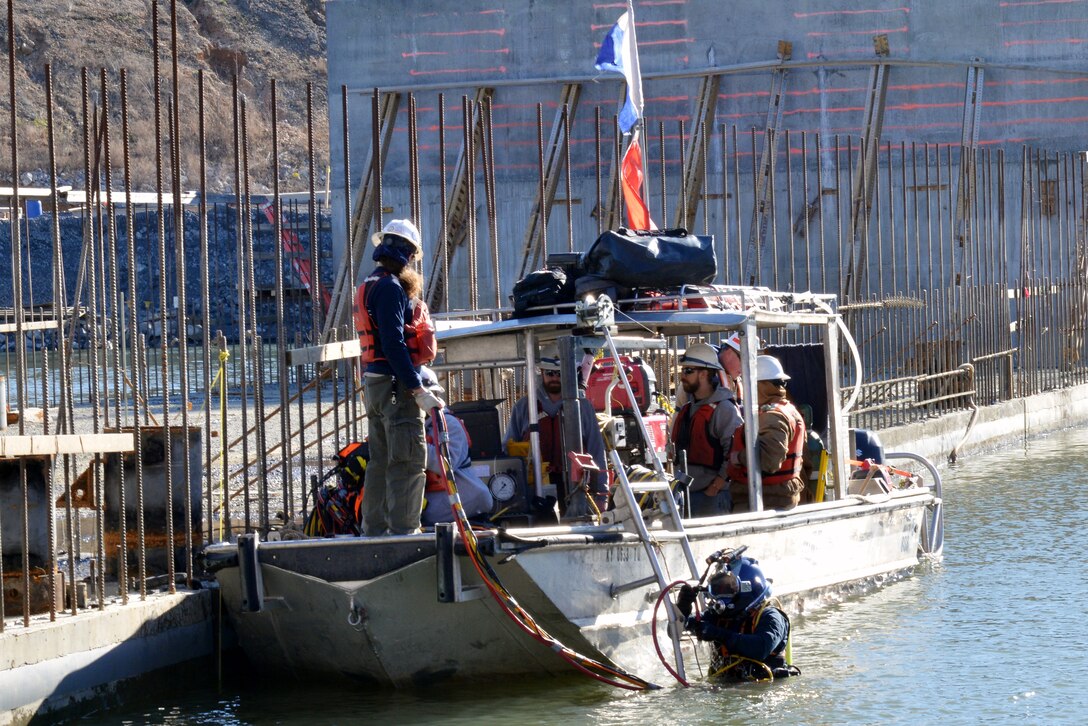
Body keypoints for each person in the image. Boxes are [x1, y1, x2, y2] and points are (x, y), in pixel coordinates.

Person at [354, 218, 441, 536]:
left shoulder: (367, 285)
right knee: (407, 459)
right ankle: (405, 531)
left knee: (380, 460)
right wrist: (417, 388)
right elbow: (393, 344)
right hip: (394, 387)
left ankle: (373, 530)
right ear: (406, 253)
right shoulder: (391, 288)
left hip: (375, 384)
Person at [504, 344, 607, 516]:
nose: (554, 378)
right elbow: (507, 450)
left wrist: (602, 494)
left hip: (577, 486)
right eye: (550, 373)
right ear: (541, 372)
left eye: (559, 374)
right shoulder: (523, 407)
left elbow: (597, 451)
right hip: (534, 487)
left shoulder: (583, 407)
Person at [675, 556, 798, 682]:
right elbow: (674, 632)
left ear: (747, 586)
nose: (720, 595)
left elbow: (760, 648)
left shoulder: (771, 617)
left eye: (728, 588)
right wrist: (682, 609)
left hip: (763, 691)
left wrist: (720, 634)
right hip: (725, 687)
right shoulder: (718, 616)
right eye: (717, 588)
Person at [726, 355, 807, 512]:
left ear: (761, 385)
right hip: (772, 498)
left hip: (767, 501)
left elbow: (769, 460)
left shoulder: (773, 416)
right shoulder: (785, 410)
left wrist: (738, 457)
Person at [671, 341, 743, 516]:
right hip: (685, 495)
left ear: (704, 374)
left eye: (688, 371)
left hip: (712, 499)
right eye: (683, 371)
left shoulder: (724, 409)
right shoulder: (688, 409)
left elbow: (735, 453)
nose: (682, 376)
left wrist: (715, 486)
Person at [420, 368, 494, 526]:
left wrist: (413, 444)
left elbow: (446, 463)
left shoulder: (448, 424)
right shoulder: (420, 426)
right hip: (439, 501)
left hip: (468, 499)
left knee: (414, 517)